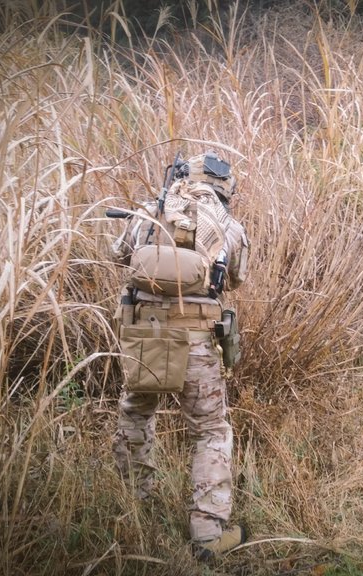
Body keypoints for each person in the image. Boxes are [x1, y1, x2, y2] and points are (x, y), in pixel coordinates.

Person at [110, 150, 251, 559]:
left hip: (145, 335)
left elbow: (116, 254)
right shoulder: (227, 223)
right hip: (198, 341)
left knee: (137, 414)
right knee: (210, 429)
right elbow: (237, 277)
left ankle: (137, 509)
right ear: (224, 186)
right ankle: (207, 534)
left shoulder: (149, 211)